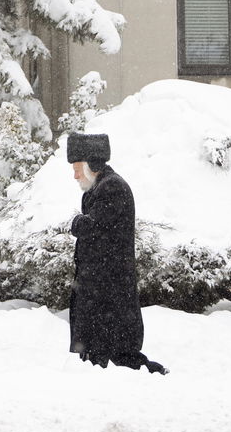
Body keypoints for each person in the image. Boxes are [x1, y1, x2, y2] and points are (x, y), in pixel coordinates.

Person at [66, 131, 168, 375]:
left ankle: (156, 378)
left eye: (77, 167)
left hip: (109, 290)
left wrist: (77, 223)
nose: (75, 175)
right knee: (108, 353)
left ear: (91, 164)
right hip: (104, 289)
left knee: (119, 353)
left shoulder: (112, 187)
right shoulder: (99, 188)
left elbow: (93, 227)